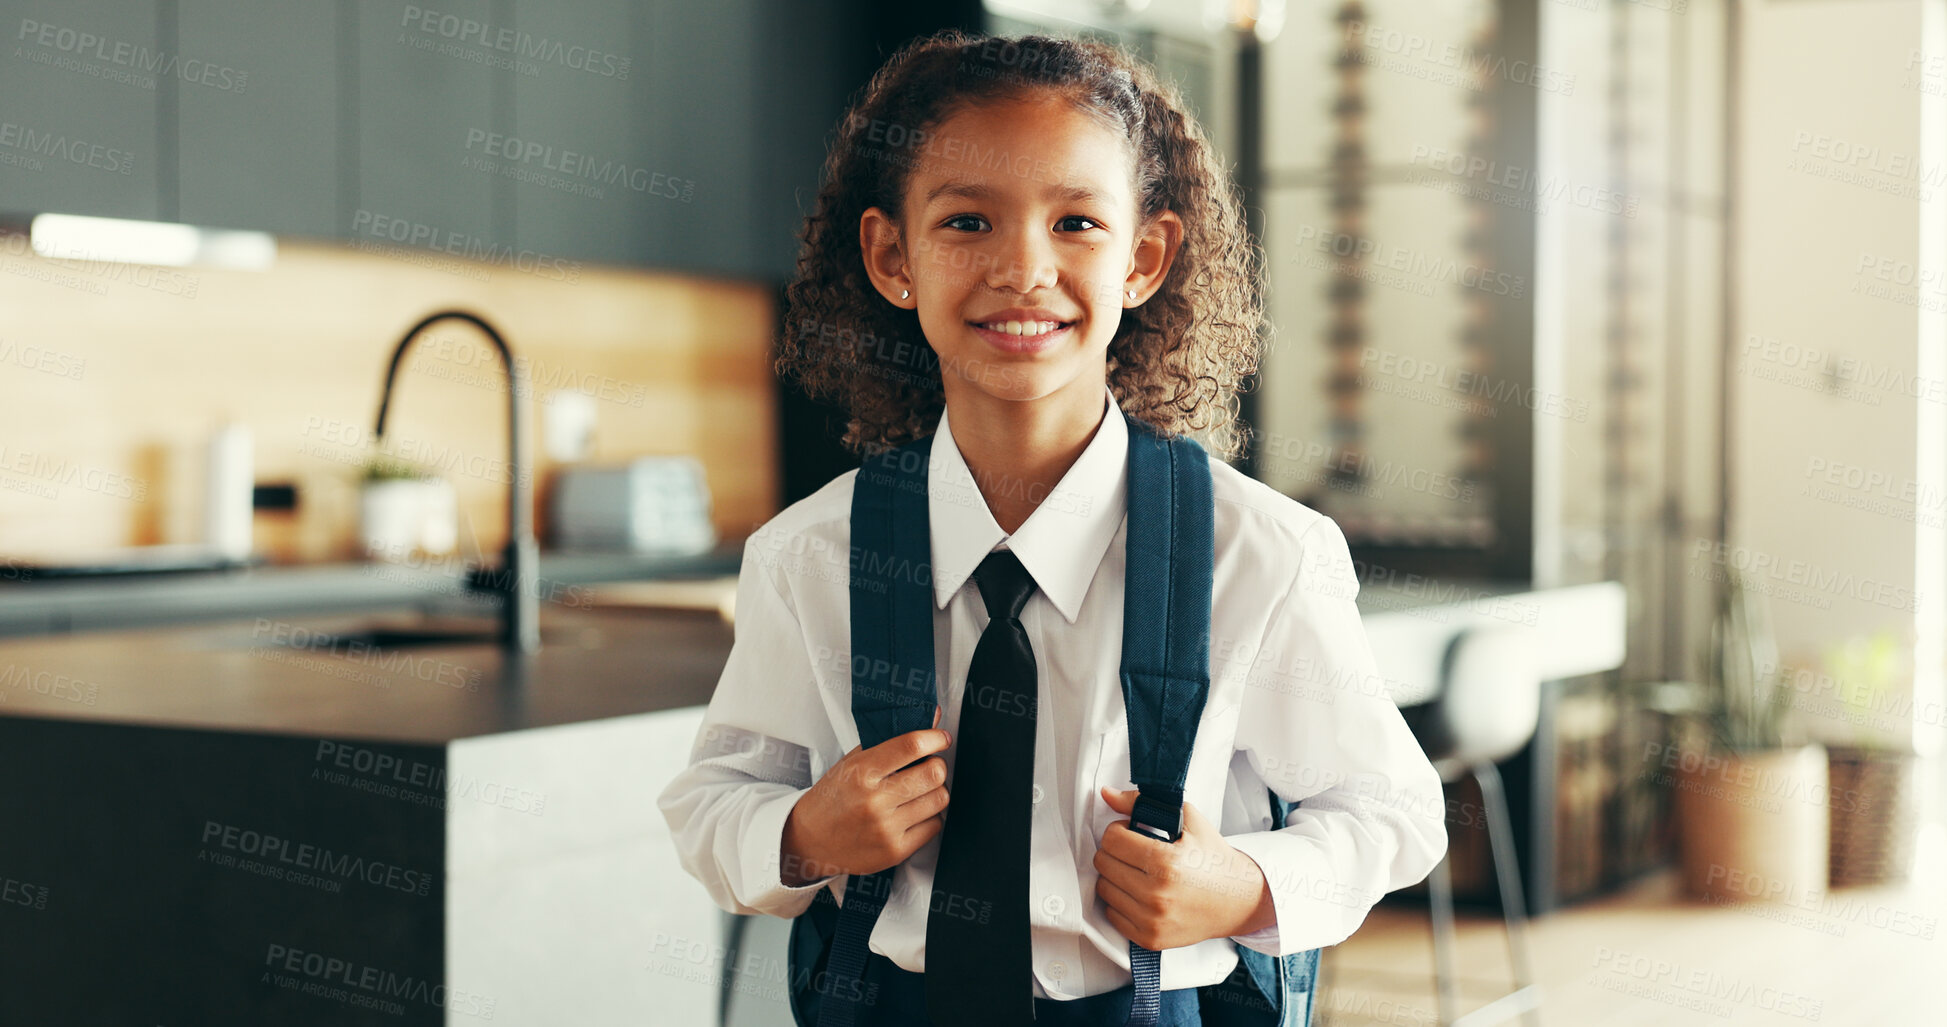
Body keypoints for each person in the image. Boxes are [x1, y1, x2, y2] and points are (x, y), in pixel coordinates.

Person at [658, 29, 1447, 1025]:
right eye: (968, 222)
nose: (1024, 269)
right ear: (892, 257)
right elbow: (711, 800)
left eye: (1075, 221)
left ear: (1145, 258)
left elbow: (1392, 810)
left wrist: (1242, 883)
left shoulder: (1261, 555)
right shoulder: (807, 557)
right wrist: (805, 832)